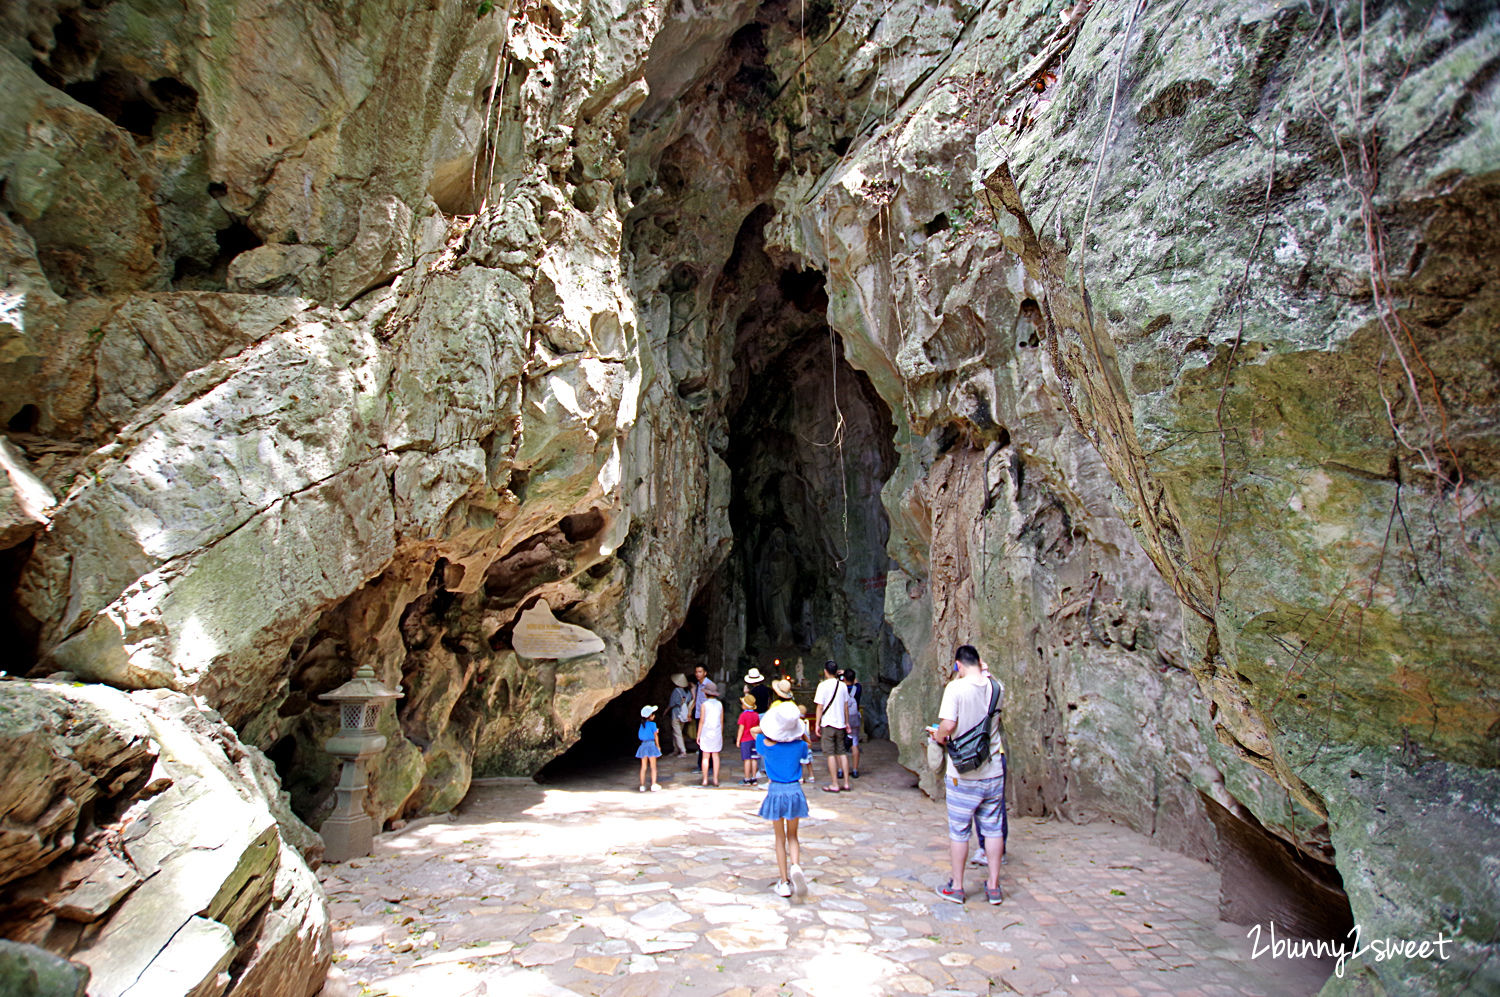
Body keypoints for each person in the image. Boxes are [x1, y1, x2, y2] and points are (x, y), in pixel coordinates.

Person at [928, 644, 1005, 905]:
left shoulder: (955, 688)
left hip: (963, 773)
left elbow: (948, 725)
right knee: (993, 829)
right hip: (993, 770)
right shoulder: (997, 687)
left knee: (960, 830)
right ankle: (993, 886)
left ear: (958, 664)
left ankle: (958, 887)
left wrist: (938, 736)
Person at [754, 701, 812, 898]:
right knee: (793, 836)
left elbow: (756, 732)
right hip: (795, 790)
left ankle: (785, 881)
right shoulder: (801, 745)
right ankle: (795, 866)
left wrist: (765, 728)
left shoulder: (765, 744)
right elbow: (805, 749)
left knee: (779, 838)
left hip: (776, 791)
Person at [812, 659, 852, 793]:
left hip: (828, 724)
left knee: (830, 754)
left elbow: (819, 707)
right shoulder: (842, 686)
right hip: (840, 724)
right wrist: (847, 723)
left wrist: (817, 724)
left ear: (825, 671)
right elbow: (846, 707)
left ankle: (835, 783)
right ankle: (846, 783)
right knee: (842, 752)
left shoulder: (822, 686)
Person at [697, 680, 724, 786]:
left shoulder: (704, 705)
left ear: (705, 693)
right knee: (716, 756)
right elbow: (721, 720)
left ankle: (705, 779)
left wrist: (698, 735)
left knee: (705, 756)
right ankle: (716, 779)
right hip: (716, 731)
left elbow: (702, 720)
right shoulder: (719, 704)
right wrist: (720, 733)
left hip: (706, 732)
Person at [842, 668, 863, 778]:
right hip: (854, 718)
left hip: (843, 718)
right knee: (854, 742)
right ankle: (855, 770)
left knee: (840, 744)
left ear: (844, 678)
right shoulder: (858, 688)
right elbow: (857, 682)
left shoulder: (841, 688)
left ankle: (841, 769)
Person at [636, 705, 662, 792]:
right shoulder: (653, 724)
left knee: (643, 767)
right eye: (653, 714)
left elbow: (641, 735)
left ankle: (642, 786)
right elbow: (656, 736)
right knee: (653, 766)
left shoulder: (642, 725)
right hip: (651, 745)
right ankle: (653, 784)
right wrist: (658, 746)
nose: (654, 716)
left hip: (643, 745)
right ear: (650, 716)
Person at [737, 693, 760, 785]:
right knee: (754, 758)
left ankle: (747, 778)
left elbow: (741, 728)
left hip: (745, 740)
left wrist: (738, 740)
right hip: (754, 739)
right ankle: (754, 778)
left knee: (747, 759)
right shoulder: (756, 715)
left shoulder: (743, 715)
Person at [666, 674, 691, 756]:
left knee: (677, 733)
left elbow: (672, 703)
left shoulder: (676, 691)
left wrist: (666, 711)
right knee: (677, 732)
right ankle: (676, 749)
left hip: (676, 714)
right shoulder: (688, 692)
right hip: (684, 714)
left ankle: (683, 751)